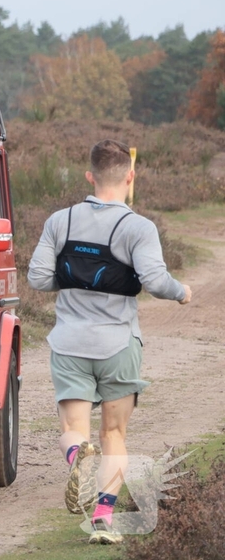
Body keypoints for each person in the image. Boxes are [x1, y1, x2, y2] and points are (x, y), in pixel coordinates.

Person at [27, 139, 192, 545]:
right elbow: (155, 282)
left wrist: (75, 280)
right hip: (118, 344)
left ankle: (76, 459)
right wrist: (182, 292)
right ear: (130, 176)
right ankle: (102, 519)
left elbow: (38, 278)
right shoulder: (138, 228)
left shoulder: (59, 221)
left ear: (90, 176)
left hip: (69, 343)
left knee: (74, 430)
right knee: (113, 435)